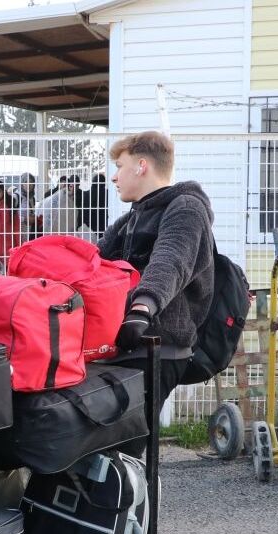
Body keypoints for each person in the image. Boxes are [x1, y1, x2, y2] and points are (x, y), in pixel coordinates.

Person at [99, 131, 214, 407]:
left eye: (119, 167)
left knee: (127, 439)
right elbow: (92, 260)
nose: (114, 177)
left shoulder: (186, 208)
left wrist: (142, 308)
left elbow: (170, 260)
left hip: (158, 343)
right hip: (125, 340)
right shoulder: (131, 218)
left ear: (141, 166)